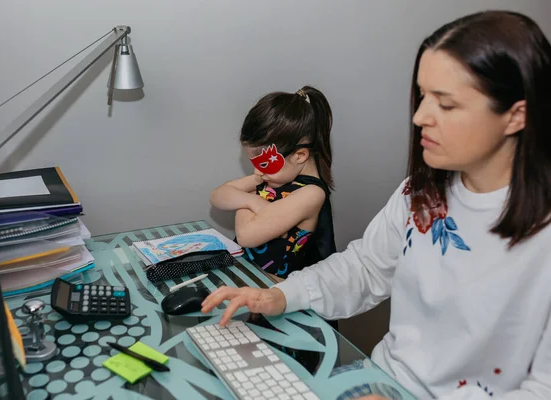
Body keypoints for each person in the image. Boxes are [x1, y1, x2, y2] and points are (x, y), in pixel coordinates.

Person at [202, 10, 551, 400]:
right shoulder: (417, 193)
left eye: (446, 104)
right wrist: (281, 295)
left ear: (516, 116)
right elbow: (366, 268)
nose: (420, 117)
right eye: (422, 97)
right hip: (381, 379)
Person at [210, 86, 337, 279]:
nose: (257, 171)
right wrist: (253, 202)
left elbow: (246, 236)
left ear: (300, 155)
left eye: (264, 164)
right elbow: (217, 196)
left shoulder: (311, 194)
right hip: (250, 277)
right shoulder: (272, 176)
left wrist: (244, 197)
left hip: (276, 292)